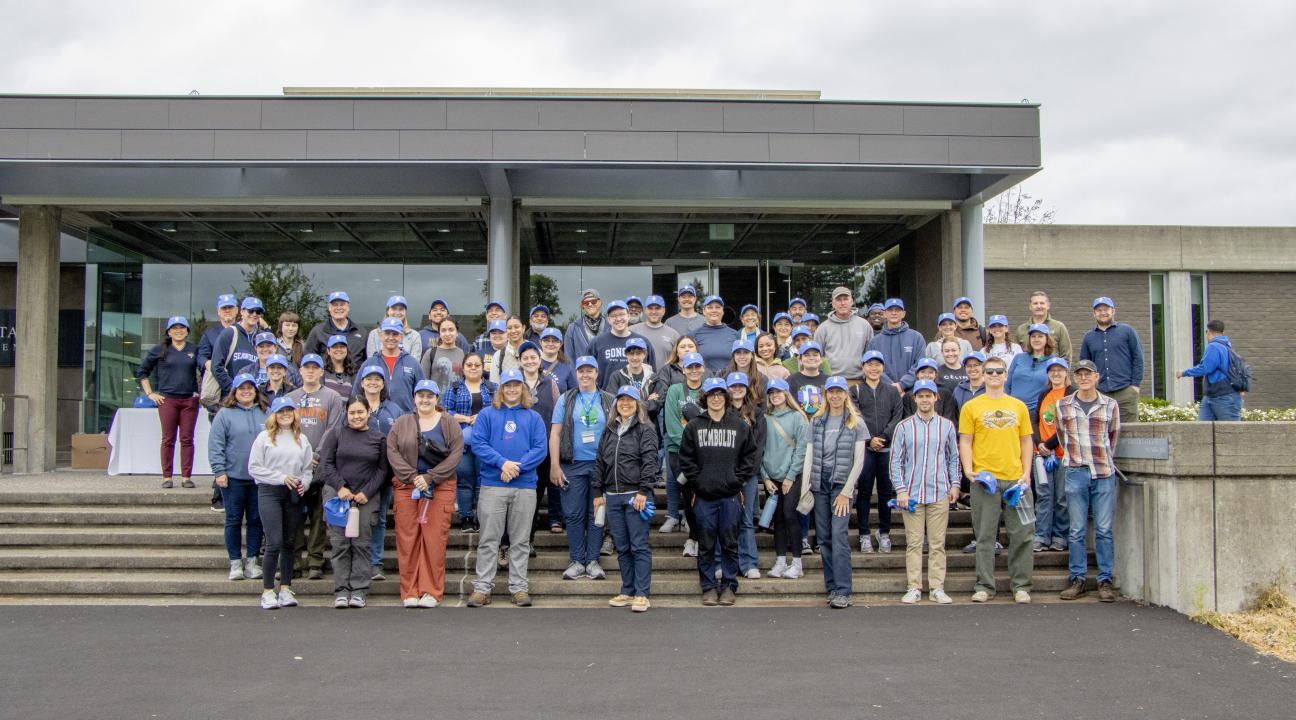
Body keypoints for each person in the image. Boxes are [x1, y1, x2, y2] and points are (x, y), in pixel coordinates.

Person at [466, 369, 549, 608]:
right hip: (493, 484)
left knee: (521, 540)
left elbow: (540, 449)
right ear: (500, 389)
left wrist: (517, 467)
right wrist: (502, 463)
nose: (512, 390)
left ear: (523, 389)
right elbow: (478, 443)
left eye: (516, 385)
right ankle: (482, 588)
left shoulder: (532, 417)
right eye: (507, 385)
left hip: (524, 486)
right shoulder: (487, 414)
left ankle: (519, 588)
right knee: (489, 539)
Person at [959, 355, 1035, 604]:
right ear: (982, 375)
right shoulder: (971, 406)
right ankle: (984, 586)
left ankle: (1021, 586)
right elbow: (966, 441)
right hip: (985, 481)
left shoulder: (1018, 406)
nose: (993, 376)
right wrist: (969, 471)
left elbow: (1026, 441)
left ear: (1005, 375)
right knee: (984, 535)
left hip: (1016, 481)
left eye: (998, 372)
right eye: (989, 372)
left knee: (1022, 534)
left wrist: (1026, 473)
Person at [678, 377, 760, 607]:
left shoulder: (739, 425)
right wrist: (698, 482)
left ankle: (728, 586)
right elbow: (686, 458)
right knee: (705, 544)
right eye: (711, 394)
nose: (715, 398)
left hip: (730, 495)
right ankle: (707, 587)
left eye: (719, 394)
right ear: (705, 398)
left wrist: (737, 481)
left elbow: (750, 457)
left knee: (729, 543)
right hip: (703, 496)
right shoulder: (694, 426)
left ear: (725, 397)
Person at [1046, 360, 1121, 603]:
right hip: (1076, 470)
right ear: (1075, 378)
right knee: (1076, 530)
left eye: (1088, 374)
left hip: (1103, 471)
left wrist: (1105, 460)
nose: (1084, 378)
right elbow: (1060, 435)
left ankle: (1105, 580)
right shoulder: (1063, 405)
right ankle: (1077, 579)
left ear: (1097, 376)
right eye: (1079, 374)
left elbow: (1113, 437)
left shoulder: (1110, 405)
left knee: (1103, 529)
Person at [386, 379, 464, 608]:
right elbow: (392, 452)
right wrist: (412, 477)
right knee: (407, 539)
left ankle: (431, 590)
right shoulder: (402, 423)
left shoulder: (449, 423)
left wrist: (430, 477)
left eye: (430, 395)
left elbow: (455, 454)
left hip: (439, 487)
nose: (425, 399)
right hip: (407, 486)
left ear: (437, 398)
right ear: (414, 398)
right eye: (421, 395)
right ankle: (409, 590)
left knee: (433, 540)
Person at [890, 379, 959, 604]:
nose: (925, 399)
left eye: (929, 395)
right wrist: (900, 490)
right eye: (921, 396)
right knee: (914, 542)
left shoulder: (947, 426)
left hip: (939, 491)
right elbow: (896, 461)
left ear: (936, 398)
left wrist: (955, 484)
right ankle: (914, 586)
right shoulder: (904, 426)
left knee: (938, 543)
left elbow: (953, 458)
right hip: (911, 493)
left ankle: (937, 586)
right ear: (915, 398)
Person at [317, 394, 390, 609]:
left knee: (361, 545)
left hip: (365, 498)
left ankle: (359, 590)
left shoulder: (379, 438)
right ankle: (341, 590)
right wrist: (341, 487)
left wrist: (366, 492)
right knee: (340, 544)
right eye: (352, 413)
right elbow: (326, 463)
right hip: (338, 496)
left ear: (368, 412)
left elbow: (383, 470)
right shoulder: (336, 434)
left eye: (360, 412)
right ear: (346, 414)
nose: (356, 416)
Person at [593, 385, 659, 612]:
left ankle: (642, 593)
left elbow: (650, 462)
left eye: (630, 400)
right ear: (616, 403)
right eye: (621, 400)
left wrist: (644, 491)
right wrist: (597, 493)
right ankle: (628, 590)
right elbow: (600, 462)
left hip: (635, 495)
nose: (625, 403)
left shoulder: (645, 429)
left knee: (639, 545)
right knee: (622, 546)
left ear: (638, 403)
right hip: (612, 496)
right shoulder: (609, 429)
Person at [248, 397, 315, 610]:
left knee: (289, 541)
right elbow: (254, 468)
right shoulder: (264, 438)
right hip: (270, 491)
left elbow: (307, 469)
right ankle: (268, 590)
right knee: (274, 541)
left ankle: (285, 587)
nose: (285, 414)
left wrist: (304, 482)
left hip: (293, 491)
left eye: (289, 410)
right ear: (274, 415)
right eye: (281, 411)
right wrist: (280, 477)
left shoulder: (301, 439)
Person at [550, 357, 614, 580]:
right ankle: (577, 560)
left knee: (596, 514)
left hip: (601, 466)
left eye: (590, 371)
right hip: (573, 465)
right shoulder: (566, 399)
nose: (585, 375)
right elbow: (556, 434)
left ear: (597, 373)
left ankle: (593, 561)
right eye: (581, 371)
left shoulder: (608, 399)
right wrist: (555, 465)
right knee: (574, 514)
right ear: (575, 374)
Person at [807, 376, 868, 609]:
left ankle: (843, 589)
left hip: (841, 486)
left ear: (845, 394)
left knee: (839, 535)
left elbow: (859, 460)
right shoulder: (817, 421)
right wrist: (807, 488)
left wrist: (846, 491)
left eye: (839, 392)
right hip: (820, 485)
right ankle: (831, 587)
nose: (835, 396)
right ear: (826, 395)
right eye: (830, 392)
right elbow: (810, 456)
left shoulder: (856, 422)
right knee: (823, 538)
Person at [286, 354, 344, 580]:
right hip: (295, 463)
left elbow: (333, 428)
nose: (310, 371)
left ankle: (315, 560)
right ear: (300, 371)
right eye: (306, 368)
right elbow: (285, 427)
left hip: (322, 462)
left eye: (315, 368)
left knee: (319, 514)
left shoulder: (333, 397)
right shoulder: (291, 397)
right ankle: (296, 560)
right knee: (295, 514)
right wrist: (300, 455)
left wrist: (316, 454)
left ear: (322, 371)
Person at [209, 373, 268, 582]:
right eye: (241, 388)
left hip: (259, 478)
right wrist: (219, 471)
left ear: (255, 390)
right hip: (232, 476)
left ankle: (252, 561)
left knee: (255, 520)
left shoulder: (266, 413)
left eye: (249, 387)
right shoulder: (224, 414)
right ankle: (235, 562)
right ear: (234, 391)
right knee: (233, 520)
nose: (246, 391)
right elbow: (216, 445)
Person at [136, 315, 201, 488]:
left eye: (182, 328)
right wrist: (150, 394)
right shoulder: (160, 349)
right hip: (168, 400)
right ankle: (167, 477)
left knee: (187, 439)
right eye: (174, 328)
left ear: (187, 331)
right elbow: (142, 371)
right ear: (169, 331)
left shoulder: (194, 349)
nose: (178, 331)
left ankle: (186, 477)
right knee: (168, 439)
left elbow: (204, 369)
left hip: (189, 400)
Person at [354, 364, 404, 580]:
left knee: (379, 519)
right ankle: (357, 561)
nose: (373, 382)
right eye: (369, 379)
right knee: (355, 519)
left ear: (384, 383)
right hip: (357, 473)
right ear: (362, 382)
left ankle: (375, 563)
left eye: (377, 379)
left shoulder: (394, 409)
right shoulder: (355, 406)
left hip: (384, 473)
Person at [852, 350, 903, 553]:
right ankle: (864, 534)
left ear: (883, 367)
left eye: (877, 364)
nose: (874, 368)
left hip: (886, 449)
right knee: (863, 493)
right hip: (864, 449)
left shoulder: (891, 391)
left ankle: (884, 533)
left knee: (884, 493)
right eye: (869, 364)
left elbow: (897, 416)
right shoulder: (855, 389)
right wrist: (869, 439)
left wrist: (883, 438)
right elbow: (855, 416)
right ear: (863, 367)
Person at [761, 377, 809, 580]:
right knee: (778, 519)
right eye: (771, 393)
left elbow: (801, 448)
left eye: (778, 392)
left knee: (790, 515)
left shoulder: (797, 417)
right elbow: (759, 449)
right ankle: (781, 560)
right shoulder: (765, 418)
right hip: (771, 477)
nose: (775, 395)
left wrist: (790, 475)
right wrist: (764, 476)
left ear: (786, 394)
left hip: (792, 476)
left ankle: (797, 562)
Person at [445, 353, 495, 533]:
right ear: (463, 368)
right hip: (461, 441)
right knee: (465, 479)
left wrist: (481, 417)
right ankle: (466, 517)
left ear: (483, 368)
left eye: (477, 365)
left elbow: (498, 410)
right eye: (469, 365)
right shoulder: (455, 388)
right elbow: (445, 412)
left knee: (483, 479)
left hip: (486, 442)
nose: (473, 368)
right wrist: (465, 418)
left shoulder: (492, 387)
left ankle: (481, 516)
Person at [517, 342, 563, 536]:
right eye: (525, 358)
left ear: (540, 359)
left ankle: (547, 525)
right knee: (527, 495)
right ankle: (525, 535)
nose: (530, 361)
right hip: (520, 448)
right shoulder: (514, 383)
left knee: (546, 486)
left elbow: (558, 411)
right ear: (520, 361)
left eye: (533, 357)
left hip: (545, 445)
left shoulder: (550, 382)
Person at [662, 351, 706, 540]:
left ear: (703, 368)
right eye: (690, 367)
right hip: (679, 452)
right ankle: (692, 538)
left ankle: (701, 536)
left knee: (704, 495)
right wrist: (694, 448)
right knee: (687, 494)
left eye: (697, 366)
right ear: (683, 369)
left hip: (707, 453)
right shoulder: (675, 390)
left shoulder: (709, 390)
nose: (694, 370)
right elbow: (672, 426)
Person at [726, 371, 766, 578]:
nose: (737, 389)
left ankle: (749, 563)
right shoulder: (723, 411)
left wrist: (745, 473)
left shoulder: (757, 413)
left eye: (741, 386)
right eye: (733, 386)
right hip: (726, 475)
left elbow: (758, 448)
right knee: (725, 520)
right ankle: (726, 563)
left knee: (746, 519)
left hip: (748, 475)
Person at [1032, 357, 1074, 553]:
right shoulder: (1044, 394)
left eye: (1060, 370)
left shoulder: (1072, 394)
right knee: (1044, 496)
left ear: (1066, 373)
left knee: (1062, 498)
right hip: (1042, 455)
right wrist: (1040, 443)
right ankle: (1041, 535)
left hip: (1063, 454)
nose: (1056, 374)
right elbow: (1035, 421)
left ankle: (1060, 536)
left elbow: (1069, 425)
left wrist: (1049, 445)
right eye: (1052, 371)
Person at [1080, 296, 1144, 423]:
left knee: (1130, 433)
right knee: (1100, 432)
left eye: (1106, 309)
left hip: (1125, 391)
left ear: (1113, 311)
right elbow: (1085, 365)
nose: (1103, 313)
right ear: (1094, 313)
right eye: (1099, 310)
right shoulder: (1088, 337)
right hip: (1100, 393)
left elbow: (1138, 358)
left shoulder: (1127, 331)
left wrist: (1135, 385)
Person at [1178, 319, 1243, 421]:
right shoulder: (1227, 346)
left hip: (1223, 396)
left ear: (1209, 331)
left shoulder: (1214, 346)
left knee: (1230, 432)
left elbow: (1205, 368)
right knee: (1204, 430)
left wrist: (1184, 373)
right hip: (1214, 395)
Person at [354, 318, 423, 413]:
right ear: (381, 335)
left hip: (406, 419)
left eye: (395, 334)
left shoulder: (413, 363)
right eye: (387, 333)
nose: (391, 337)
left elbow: (422, 394)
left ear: (401, 336)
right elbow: (356, 394)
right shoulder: (369, 364)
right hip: (374, 420)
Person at [814, 286, 874, 382]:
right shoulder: (823, 328)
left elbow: (870, 355)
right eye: (838, 300)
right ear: (833, 304)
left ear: (852, 301)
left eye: (846, 299)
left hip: (859, 380)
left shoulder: (864, 325)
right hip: (831, 381)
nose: (842, 303)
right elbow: (816, 357)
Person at [867, 298, 925, 392]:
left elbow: (919, 364)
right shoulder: (875, 341)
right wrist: (892, 386)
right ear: (885, 314)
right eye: (890, 310)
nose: (894, 313)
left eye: (897, 310)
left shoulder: (916, 337)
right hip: (884, 391)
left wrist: (902, 385)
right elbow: (872, 366)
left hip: (911, 392)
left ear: (903, 314)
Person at [211, 297, 265, 396]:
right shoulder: (229, 333)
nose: (254, 314)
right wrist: (233, 388)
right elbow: (216, 366)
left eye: (258, 312)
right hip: (232, 396)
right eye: (251, 310)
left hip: (255, 397)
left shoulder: (262, 337)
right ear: (242, 312)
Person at [589, 300, 655, 380]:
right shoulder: (597, 343)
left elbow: (652, 373)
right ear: (608, 319)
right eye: (614, 316)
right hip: (607, 392)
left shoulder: (643, 342)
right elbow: (587, 371)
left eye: (622, 314)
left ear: (628, 316)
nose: (618, 318)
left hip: (637, 392)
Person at [305, 290, 367, 368]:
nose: (339, 308)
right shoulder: (318, 332)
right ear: (329, 308)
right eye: (335, 305)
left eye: (342, 304)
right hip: (326, 378)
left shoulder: (361, 332)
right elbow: (308, 360)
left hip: (355, 378)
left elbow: (367, 361)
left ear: (348, 307)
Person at [1006, 323, 1057, 417]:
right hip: (1013, 411)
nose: (1036, 339)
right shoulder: (1018, 358)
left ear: (1047, 339)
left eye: (1040, 336)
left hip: (1036, 413)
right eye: (1033, 336)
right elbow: (1007, 384)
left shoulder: (1053, 361)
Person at [196, 294, 239, 395]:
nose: (227, 310)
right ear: (218, 312)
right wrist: (207, 363)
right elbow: (201, 356)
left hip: (242, 388)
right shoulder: (209, 334)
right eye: (224, 308)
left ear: (237, 310)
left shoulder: (244, 332)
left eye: (230, 307)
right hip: (218, 389)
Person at [1015, 290, 1073, 363]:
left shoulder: (1059, 327)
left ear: (1048, 306)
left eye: (1042, 303)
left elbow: (1066, 355)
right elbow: (1016, 355)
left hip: (1052, 372)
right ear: (1030, 306)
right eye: (1035, 303)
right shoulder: (1021, 329)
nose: (1039, 306)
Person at [629, 294, 681, 368]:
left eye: (657, 308)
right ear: (645, 310)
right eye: (650, 308)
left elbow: (679, 361)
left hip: (665, 379)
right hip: (639, 379)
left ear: (663, 310)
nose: (654, 311)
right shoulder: (632, 331)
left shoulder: (673, 334)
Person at [694, 295, 739, 374]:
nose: (714, 310)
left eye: (718, 307)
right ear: (704, 311)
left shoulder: (735, 335)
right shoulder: (694, 335)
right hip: (704, 383)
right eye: (710, 307)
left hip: (730, 383)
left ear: (722, 311)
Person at [420, 316, 466, 390]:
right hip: (436, 400)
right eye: (443, 330)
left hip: (457, 400)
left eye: (451, 330)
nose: (447, 334)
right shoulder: (430, 353)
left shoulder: (462, 353)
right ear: (439, 334)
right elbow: (423, 382)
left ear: (457, 333)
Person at [725, 339, 768, 409]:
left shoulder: (762, 379)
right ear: (733, 356)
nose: (742, 356)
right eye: (738, 353)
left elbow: (764, 408)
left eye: (746, 352)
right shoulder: (724, 377)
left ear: (752, 355)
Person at [564, 289, 604, 360]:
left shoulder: (611, 326)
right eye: (586, 302)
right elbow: (569, 358)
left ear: (600, 302)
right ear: (582, 306)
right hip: (583, 371)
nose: (590, 304)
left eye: (593, 301)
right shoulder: (573, 328)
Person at [488, 315, 526, 384]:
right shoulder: (498, 355)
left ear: (523, 328)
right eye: (509, 328)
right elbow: (495, 384)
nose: (513, 331)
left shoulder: (534, 351)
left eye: (516, 327)